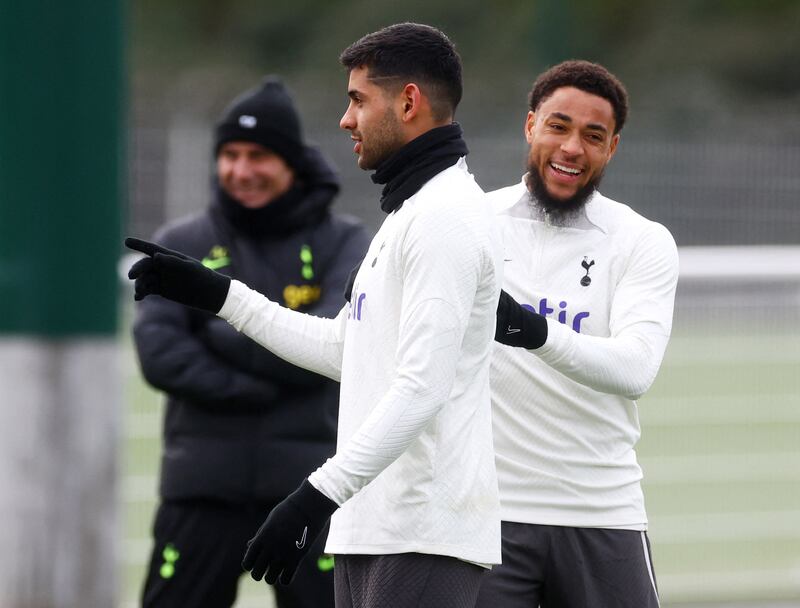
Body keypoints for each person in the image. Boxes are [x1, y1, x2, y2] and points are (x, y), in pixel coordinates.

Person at [127, 22, 503, 608]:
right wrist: (221, 296)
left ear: (408, 102)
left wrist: (314, 496)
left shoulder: (444, 217)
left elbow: (421, 386)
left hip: (421, 532)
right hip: (374, 525)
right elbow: (346, 351)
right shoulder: (409, 213)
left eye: (357, 99)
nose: (344, 119)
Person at [132, 76, 370, 608]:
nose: (242, 171)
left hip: (310, 492)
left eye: (258, 155)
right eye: (230, 155)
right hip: (201, 490)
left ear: (291, 162)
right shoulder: (180, 243)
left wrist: (216, 327)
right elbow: (161, 357)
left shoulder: (347, 243)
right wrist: (267, 373)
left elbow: (334, 350)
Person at [479, 60, 679, 607]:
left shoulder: (643, 240)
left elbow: (635, 369)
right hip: (487, 516)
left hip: (601, 513)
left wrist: (534, 331)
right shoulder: (472, 221)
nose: (572, 148)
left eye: (593, 136)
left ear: (612, 148)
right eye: (558, 126)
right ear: (530, 126)